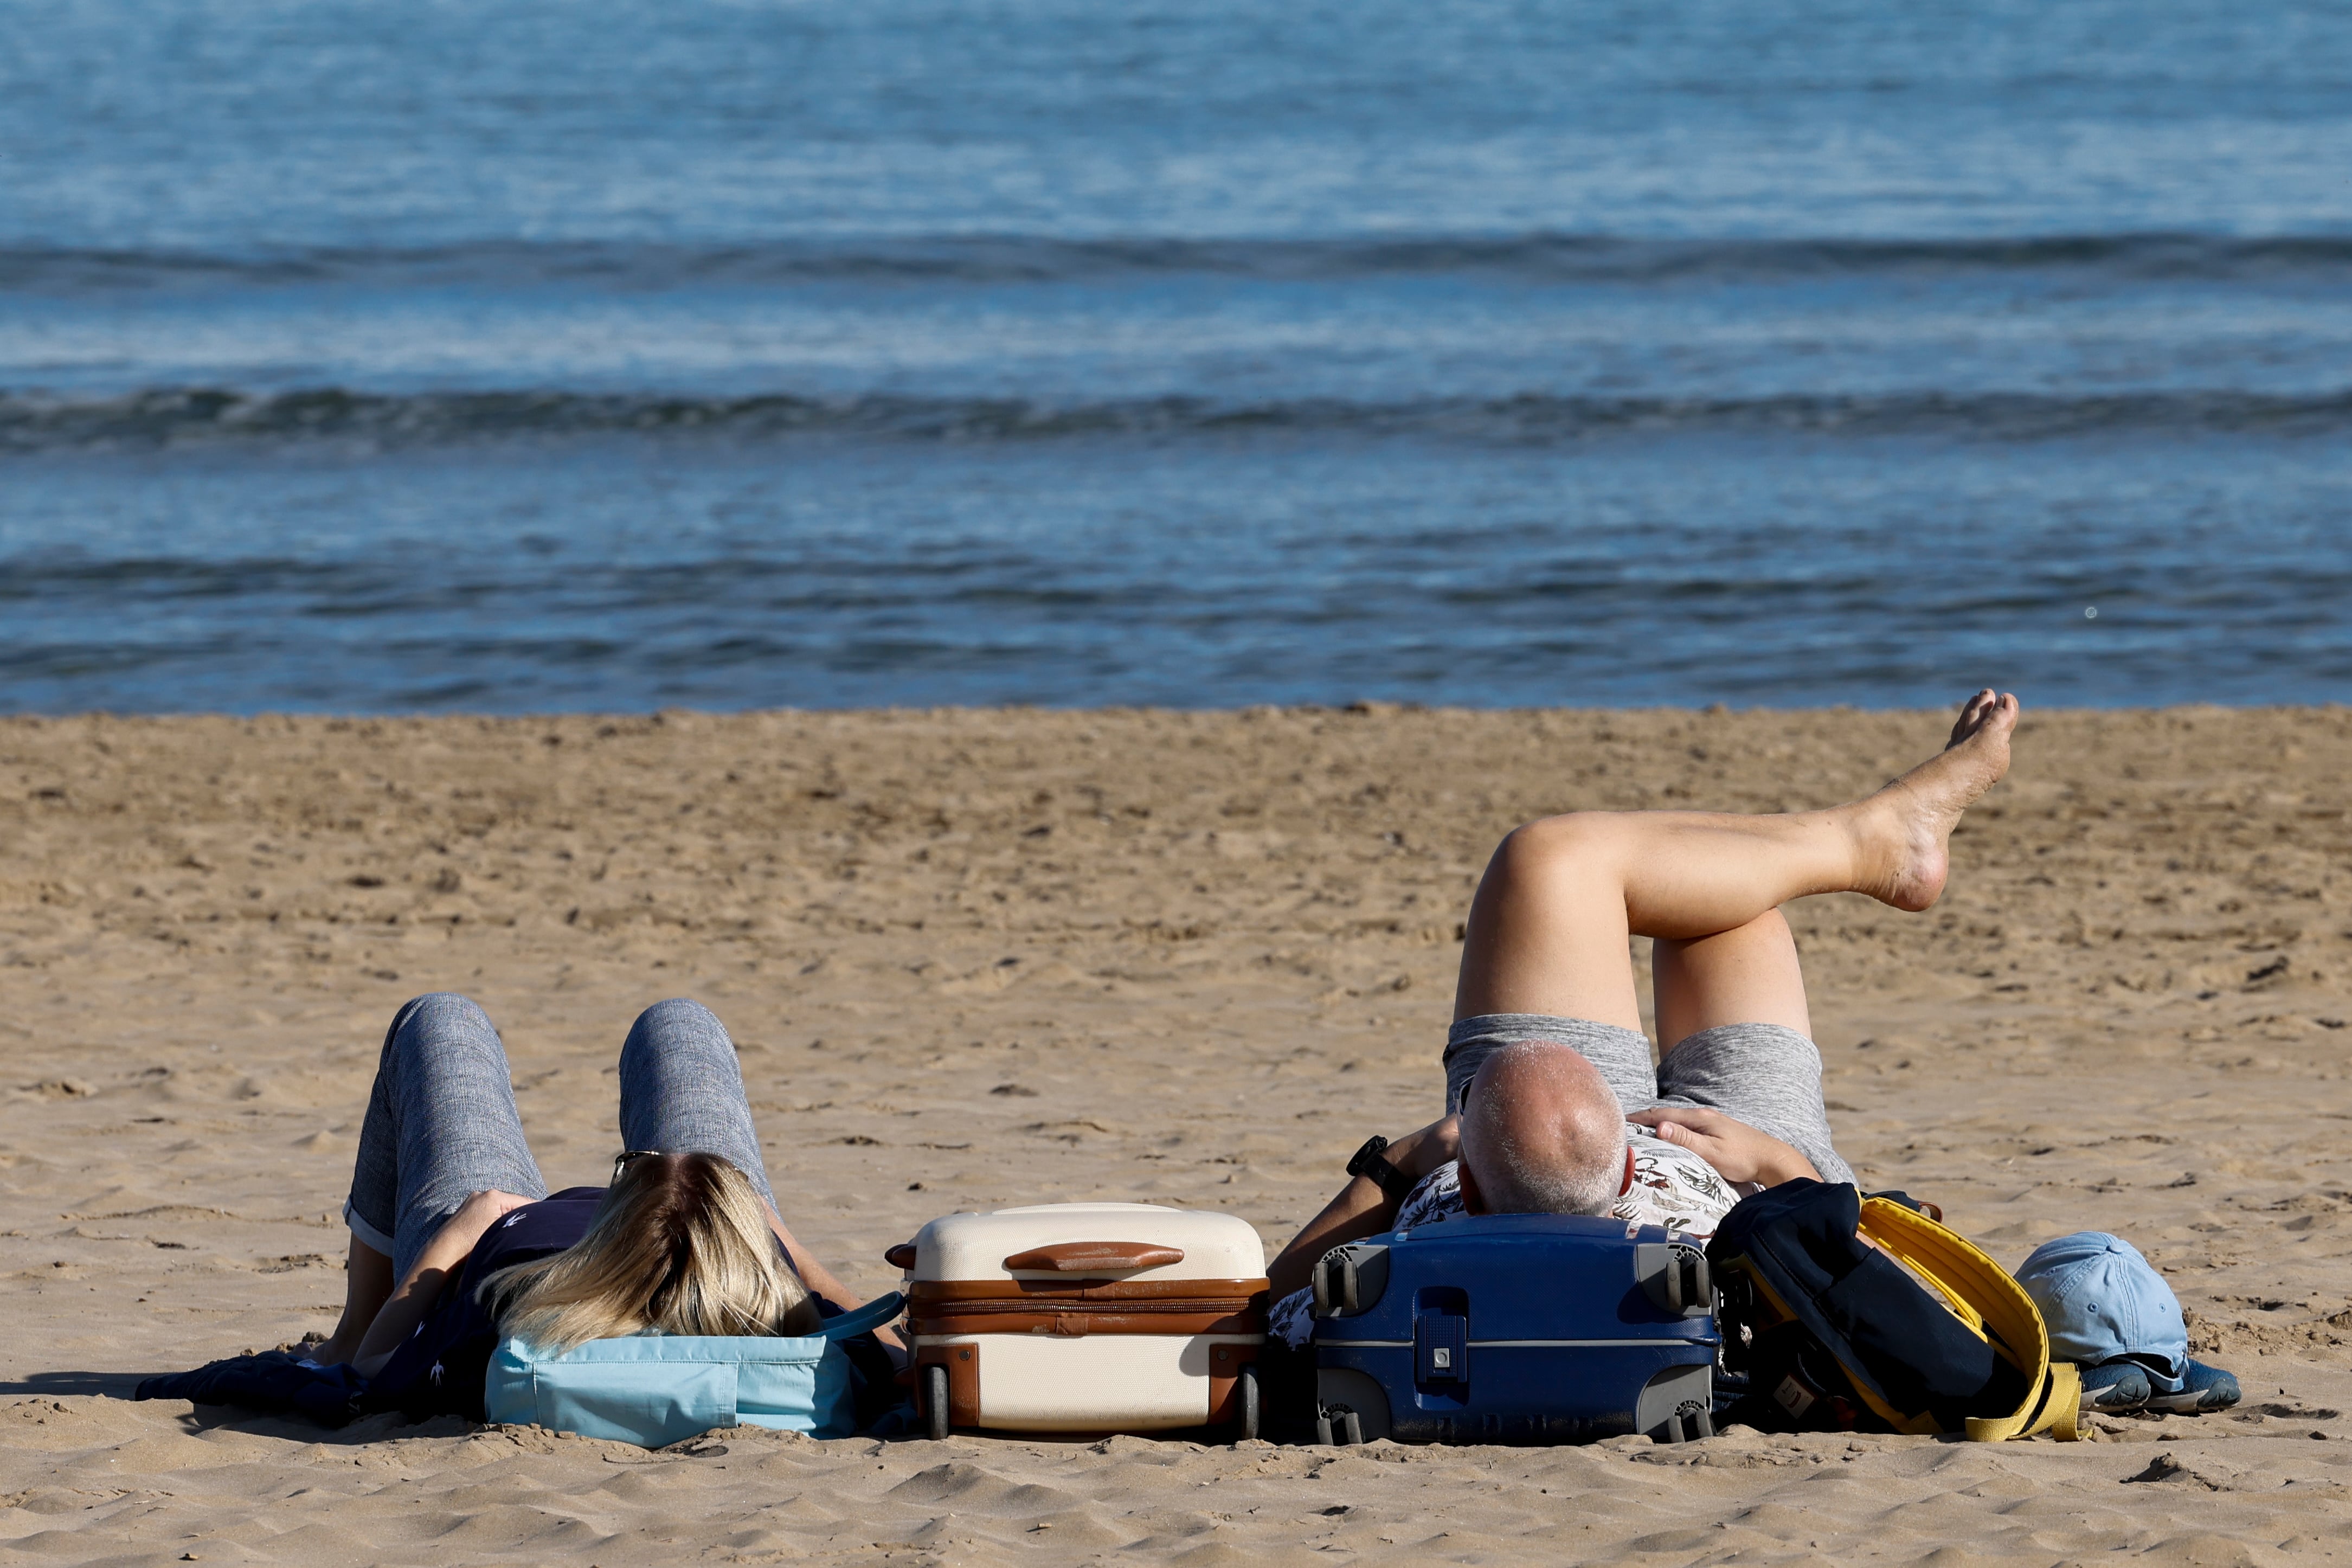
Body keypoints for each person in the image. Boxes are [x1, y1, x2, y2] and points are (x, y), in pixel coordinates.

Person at [1263, 690, 2235, 1414]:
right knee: (1692, 906)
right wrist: (1775, 1164)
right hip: (1753, 1178)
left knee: (1618, 880)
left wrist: (1400, 1165)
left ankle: (1875, 839)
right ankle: (1875, 839)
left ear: (1463, 1178)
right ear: (1626, 1152)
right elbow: (1835, 1259)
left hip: (1624, 1175)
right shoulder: (1454, 1224)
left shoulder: (1415, 1250)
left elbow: (1275, 1300)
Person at [301, 993, 896, 1414]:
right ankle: (708, 1193)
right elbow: (889, 1347)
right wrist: (776, 1240)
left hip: (505, 1233)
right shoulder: (768, 1309)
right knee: (679, 1021)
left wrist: (472, 1227)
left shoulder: (518, 1314)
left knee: (438, 1019)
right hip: (710, 1232)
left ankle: (345, 1328)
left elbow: (376, 1367)